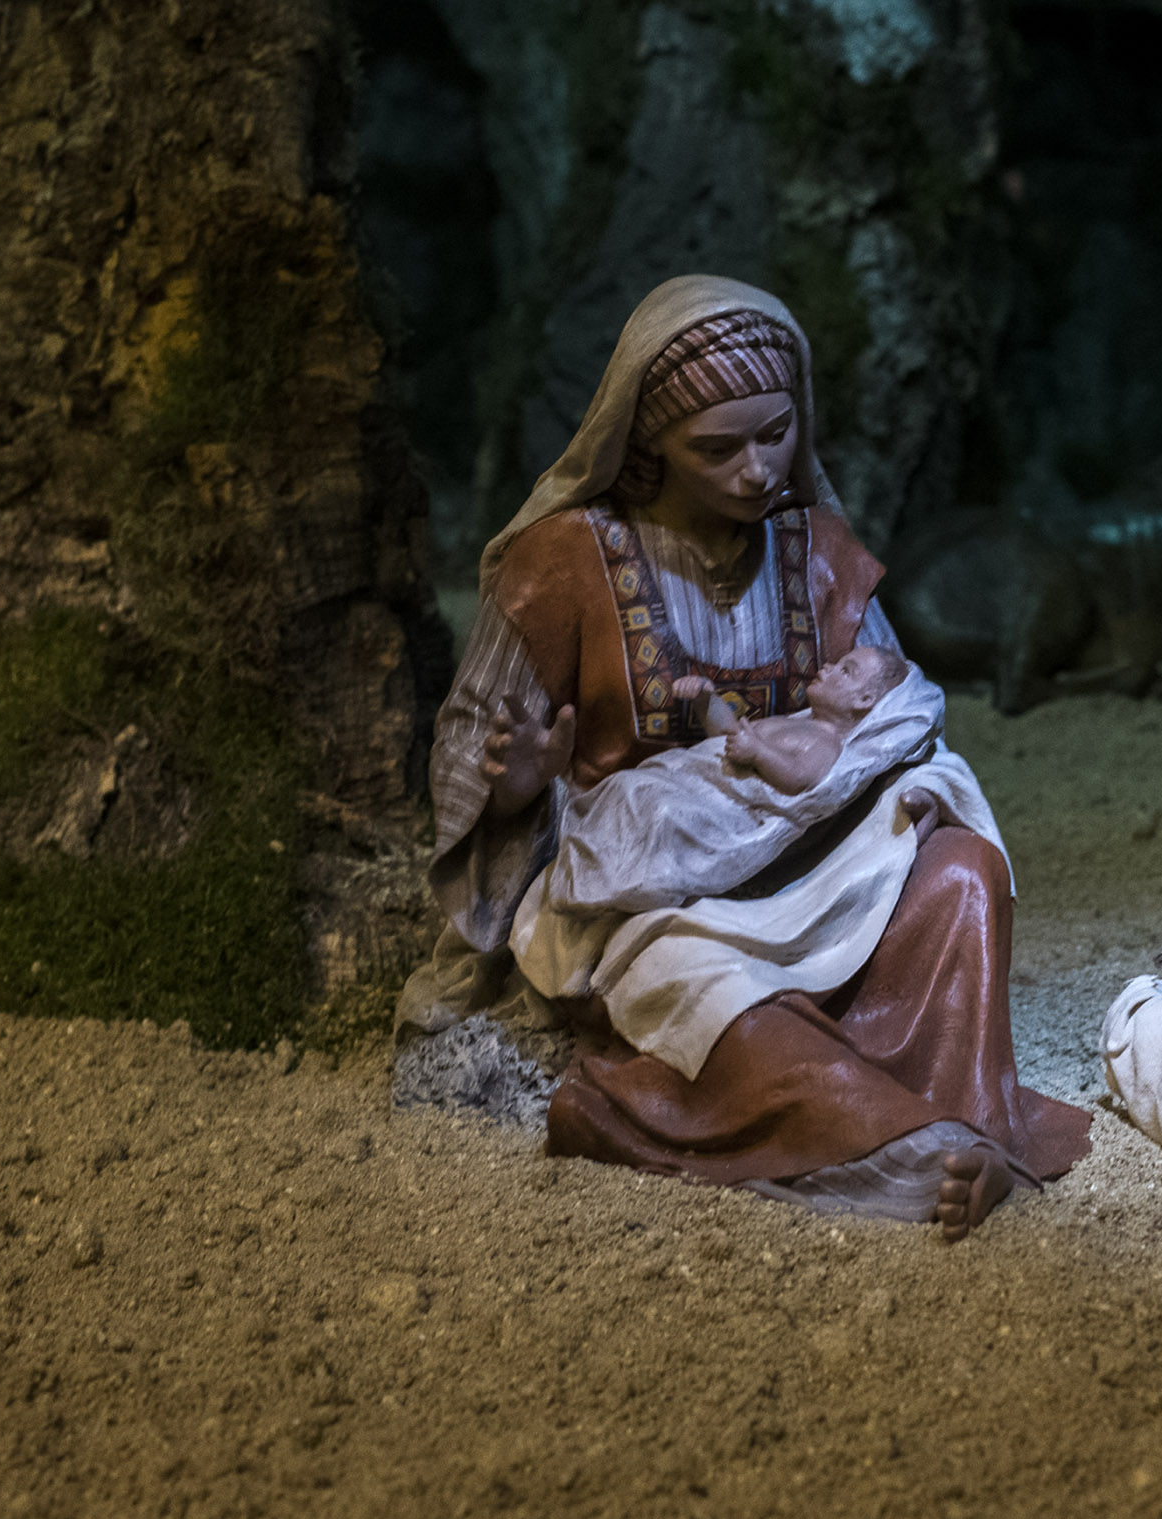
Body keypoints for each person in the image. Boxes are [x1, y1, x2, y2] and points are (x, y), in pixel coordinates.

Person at [428, 278, 1090, 1233]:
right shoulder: (566, 561)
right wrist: (516, 791)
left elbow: (894, 699)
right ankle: (915, 1147)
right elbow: (467, 748)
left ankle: (975, 1122)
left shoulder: (814, 549)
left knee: (964, 874)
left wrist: (892, 771)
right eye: (717, 448)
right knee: (728, 1004)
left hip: (816, 850)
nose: (754, 470)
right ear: (648, 441)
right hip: (659, 895)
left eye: (775, 434)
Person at [699, 639, 913, 795]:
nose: (828, 667)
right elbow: (724, 738)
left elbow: (800, 778)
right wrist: (707, 700)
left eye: (846, 671)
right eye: (838, 663)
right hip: (694, 773)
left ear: (864, 700)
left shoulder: (827, 743)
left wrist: (757, 753)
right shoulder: (789, 722)